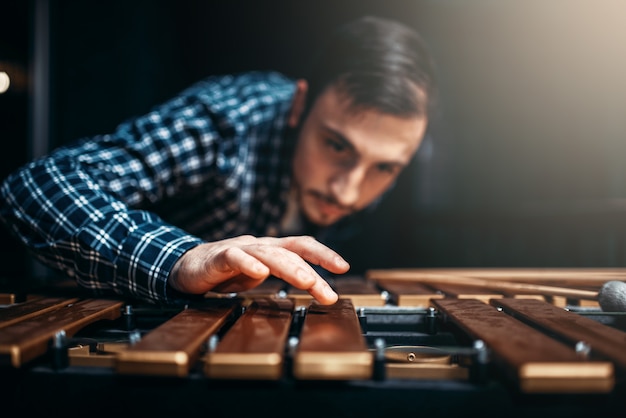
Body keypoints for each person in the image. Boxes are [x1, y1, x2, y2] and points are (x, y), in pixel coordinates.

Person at [0, 15, 437, 306]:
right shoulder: (228, 121)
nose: (348, 191)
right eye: (337, 147)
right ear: (299, 106)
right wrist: (180, 258)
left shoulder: (377, 158)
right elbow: (37, 185)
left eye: (384, 168)